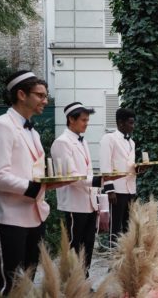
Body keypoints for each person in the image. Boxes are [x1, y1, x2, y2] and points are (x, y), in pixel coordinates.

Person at [0, 70, 66, 295]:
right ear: (21, 94)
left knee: (26, 281)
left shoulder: (33, 132)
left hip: (36, 215)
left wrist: (51, 182)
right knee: (9, 284)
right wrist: (35, 187)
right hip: (8, 217)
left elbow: (35, 173)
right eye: (40, 95)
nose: (45, 101)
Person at [51, 102, 101, 274]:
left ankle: (83, 279)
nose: (86, 123)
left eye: (87, 120)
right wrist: (97, 181)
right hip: (74, 203)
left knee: (88, 243)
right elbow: (71, 176)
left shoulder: (83, 141)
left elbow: (87, 170)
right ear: (71, 119)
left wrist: (96, 194)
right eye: (83, 120)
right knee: (74, 244)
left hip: (89, 202)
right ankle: (71, 282)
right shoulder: (61, 143)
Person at [99, 108, 137, 245]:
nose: (133, 126)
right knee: (114, 229)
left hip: (130, 190)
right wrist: (110, 190)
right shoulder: (109, 139)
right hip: (116, 191)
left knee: (129, 227)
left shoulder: (131, 142)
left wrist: (139, 168)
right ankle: (112, 260)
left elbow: (129, 165)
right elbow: (105, 165)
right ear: (120, 123)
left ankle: (126, 260)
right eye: (130, 123)